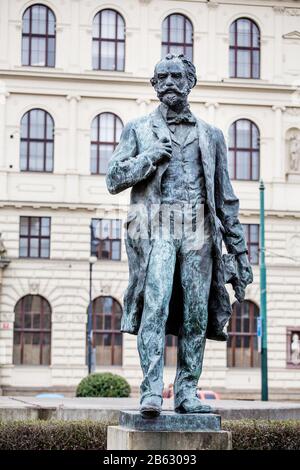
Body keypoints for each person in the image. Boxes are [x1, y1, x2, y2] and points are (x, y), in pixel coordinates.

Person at [106, 54, 253, 418]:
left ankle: (187, 391)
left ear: (191, 82)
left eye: (177, 76)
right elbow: (113, 179)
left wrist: (240, 254)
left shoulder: (212, 135)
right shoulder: (138, 130)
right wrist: (149, 158)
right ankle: (152, 390)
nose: (170, 82)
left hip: (200, 231)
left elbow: (226, 199)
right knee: (154, 307)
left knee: (196, 314)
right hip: (157, 228)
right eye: (162, 77)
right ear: (154, 86)